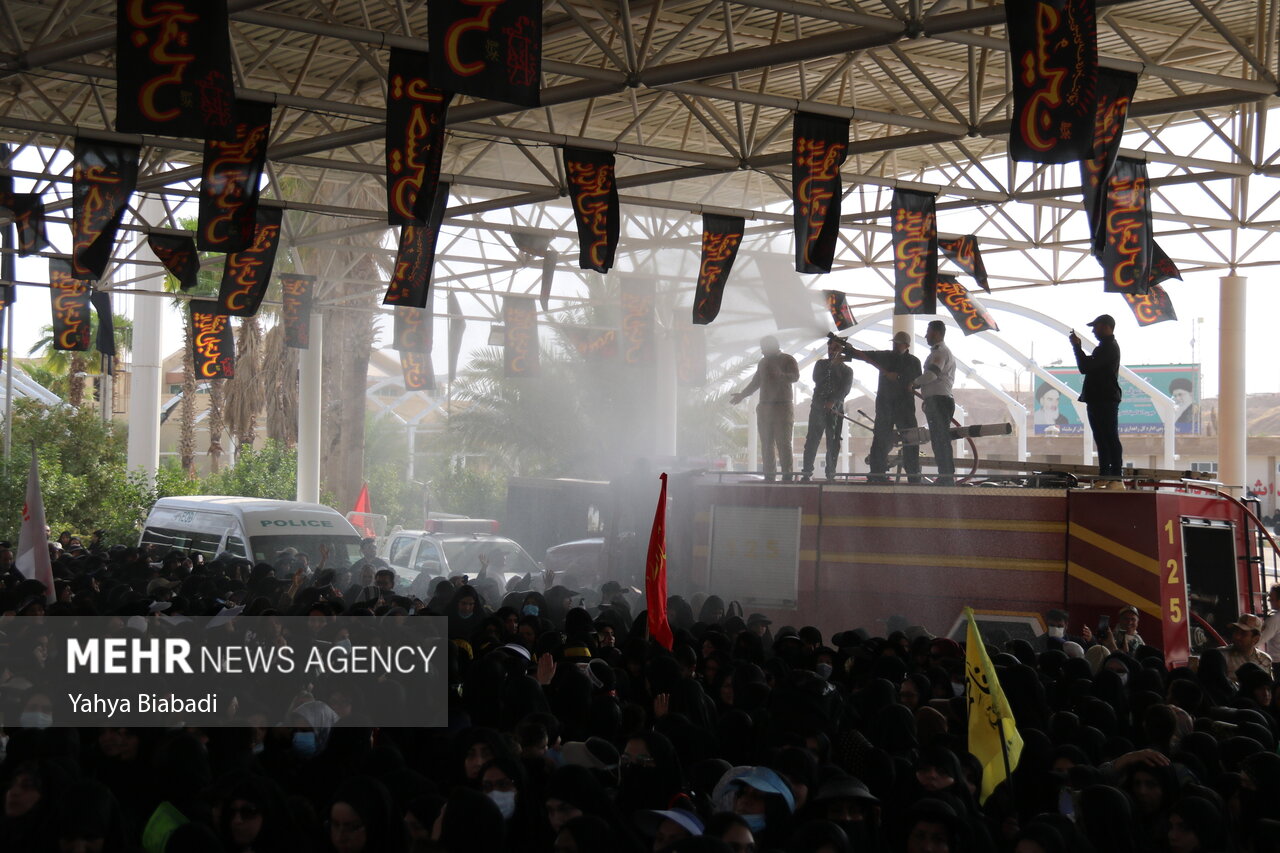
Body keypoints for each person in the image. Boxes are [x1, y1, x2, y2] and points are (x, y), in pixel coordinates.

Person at [849, 331, 922, 482]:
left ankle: (913, 475)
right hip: (885, 407)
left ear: (907, 345)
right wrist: (848, 349)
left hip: (904, 408)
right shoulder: (885, 356)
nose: (895, 345)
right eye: (894, 342)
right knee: (880, 440)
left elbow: (916, 381)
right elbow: (865, 356)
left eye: (898, 343)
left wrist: (899, 377)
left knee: (910, 441)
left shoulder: (914, 362)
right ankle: (877, 474)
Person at [730, 335, 800, 482]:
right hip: (765, 407)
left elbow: (795, 377)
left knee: (784, 444)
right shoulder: (763, 363)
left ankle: (787, 476)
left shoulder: (788, 359)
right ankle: (769, 475)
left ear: (773, 346)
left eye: (764, 347)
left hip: (782, 407)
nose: (762, 350)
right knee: (766, 443)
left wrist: (781, 375)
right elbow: (756, 382)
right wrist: (742, 395)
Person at [1069, 314, 1123, 481]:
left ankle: (1113, 474)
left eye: (1096, 327)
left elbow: (1085, 367)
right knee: (1103, 437)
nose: (1093, 331)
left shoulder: (1107, 348)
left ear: (1106, 326)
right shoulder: (1106, 347)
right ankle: (1107, 473)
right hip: (1101, 399)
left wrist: (1077, 347)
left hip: (1103, 399)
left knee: (1107, 437)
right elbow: (1089, 366)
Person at [800, 336, 854, 482]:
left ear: (841, 350)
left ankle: (831, 473)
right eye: (830, 348)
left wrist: (832, 401)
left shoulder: (847, 370)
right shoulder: (820, 364)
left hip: (836, 410)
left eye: (835, 348)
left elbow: (845, 389)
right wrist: (831, 366)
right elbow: (817, 379)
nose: (831, 351)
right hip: (818, 407)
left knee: (834, 441)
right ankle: (806, 472)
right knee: (812, 439)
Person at [911, 320, 956, 485]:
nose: (925, 335)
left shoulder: (940, 353)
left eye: (928, 332)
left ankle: (946, 477)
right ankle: (945, 475)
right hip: (936, 401)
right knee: (939, 440)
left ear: (936, 333)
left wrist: (914, 383)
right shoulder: (940, 352)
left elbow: (932, 374)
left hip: (939, 401)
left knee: (941, 440)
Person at [1222, 613, 1273, 685]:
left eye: (1243, 634)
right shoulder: (1220, 656)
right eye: (1236, 631)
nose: (1237, 637)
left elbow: (1268, 688)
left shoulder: (1265, 660)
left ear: (1256, 639)